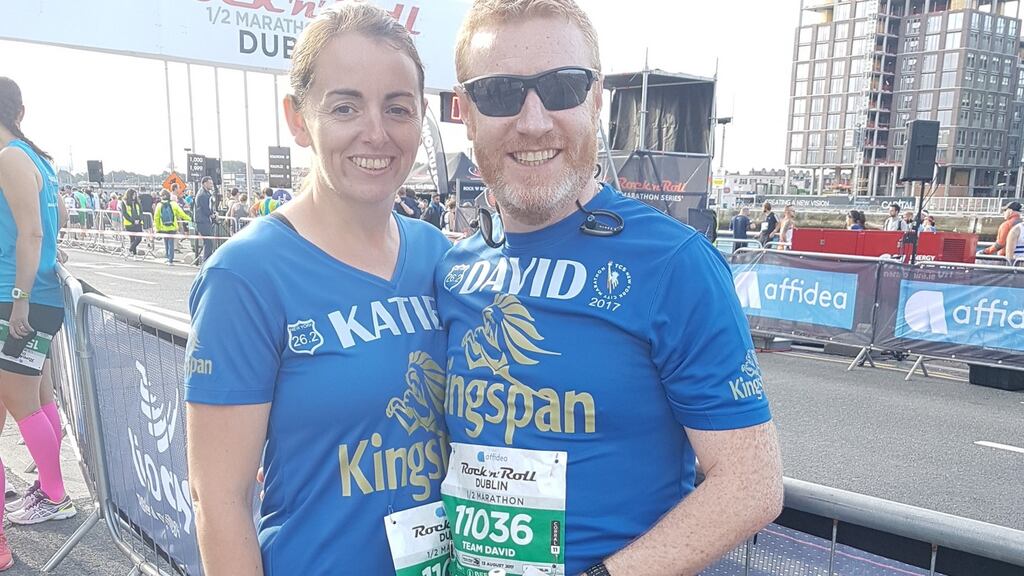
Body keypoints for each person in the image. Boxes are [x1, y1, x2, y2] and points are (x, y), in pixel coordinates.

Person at [437, 3, 783, 575]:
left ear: (596, 100)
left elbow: (751, 483)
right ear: (465, 112)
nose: (533, 121)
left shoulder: (676, 264)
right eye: (499, 92)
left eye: (561, 87)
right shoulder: (452, 269)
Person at [185, 5, 451, 576]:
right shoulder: (246, 276)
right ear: (299, 119)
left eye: (397, 108)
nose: (375, 132)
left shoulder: (442, 257)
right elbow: (220, 499)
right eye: (345, 106)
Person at [0, 78, 77, 571]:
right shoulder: (38, 159)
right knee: (39, 393)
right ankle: (51, 489)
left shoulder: (9, 157)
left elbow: (30, 231)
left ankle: (53, 492)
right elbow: (58, 218)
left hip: (16, 298)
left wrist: (20, 301)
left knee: (20, 400)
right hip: (36, 294)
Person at [154, 189, 191, 265]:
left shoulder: (159, 205)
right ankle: (171, 259)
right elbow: (181, 213)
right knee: (171, 243)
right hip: (172, 226)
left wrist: (157, 228)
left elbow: (156, 218)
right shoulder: (173, 204)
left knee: (166, 242)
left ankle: (168, 257)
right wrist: (190, 219)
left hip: (163, 227)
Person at [194, 176, 218, 264]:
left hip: (204, 221)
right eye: (210, 183)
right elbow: (206, 209)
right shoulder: (202, 195)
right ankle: (206, 261)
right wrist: (213, 215)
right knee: (209, 242)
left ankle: (206, 260)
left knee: (208, 242)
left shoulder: (206, 194)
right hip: (202, 221)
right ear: (205, 183)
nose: (212, 185)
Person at [120, 188, 145, 258]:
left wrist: (139, 220)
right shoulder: (124, 202)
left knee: (139, 238)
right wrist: (133, 221)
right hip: (129, 224)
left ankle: (130, 250)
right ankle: (134, 253)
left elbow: (140, 212)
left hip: (138, 223)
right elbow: (125, 214)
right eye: (133, 195)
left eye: (135, 195)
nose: (135, 196)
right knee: (132, 239)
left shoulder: (137, 202)